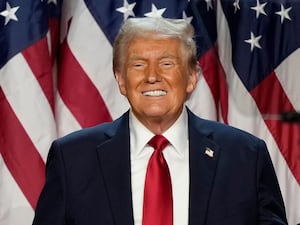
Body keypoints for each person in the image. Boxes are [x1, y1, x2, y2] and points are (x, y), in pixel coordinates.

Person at [32, 17, 288, 225]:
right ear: (121, 80)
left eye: (167, 63)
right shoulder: (73, 157)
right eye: (138, 65)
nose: (152, 76)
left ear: (191, 78)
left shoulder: (245, 156)